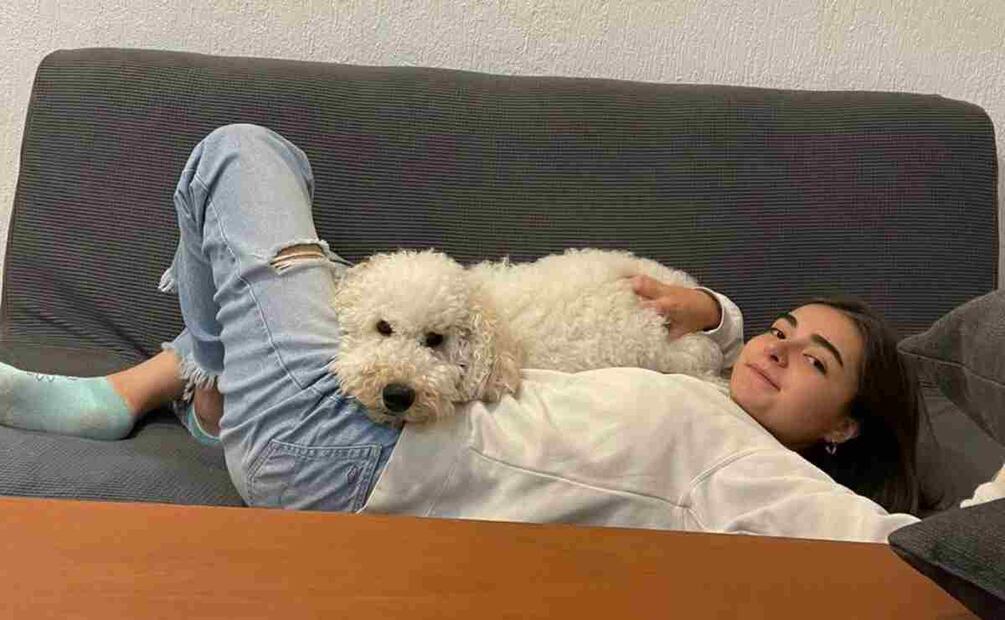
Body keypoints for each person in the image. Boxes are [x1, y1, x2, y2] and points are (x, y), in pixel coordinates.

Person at [0, 124, 1000, 542]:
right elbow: (713, 326)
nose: (778, 347)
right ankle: (191, 389)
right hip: (348, 421)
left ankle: (183, 385)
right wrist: (723, 314)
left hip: (350, 450)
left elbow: (911, 546)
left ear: (844, 426)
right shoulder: (703, 381)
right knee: (316, 249)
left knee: (240, 152)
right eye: (782, 327)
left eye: (814, 358)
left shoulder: (761, 474)